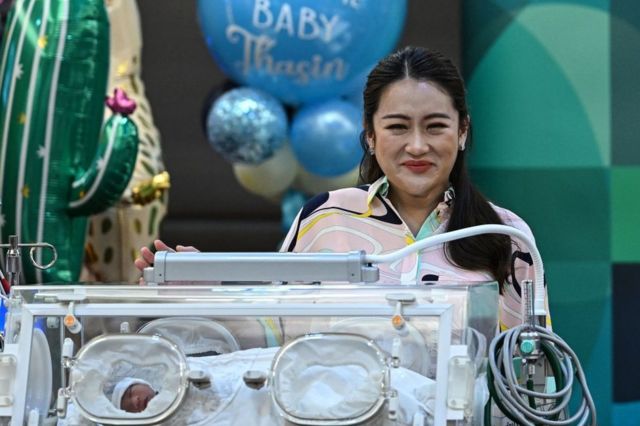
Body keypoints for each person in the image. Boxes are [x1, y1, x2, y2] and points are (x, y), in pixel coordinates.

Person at [135, 46, 549, 331]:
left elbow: (529, 374)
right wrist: (200, 291)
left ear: (462, 132)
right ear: (370, 135)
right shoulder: (326, 216)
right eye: (397, 127)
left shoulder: (504, 235)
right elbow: (276, 333)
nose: (417, 145)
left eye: (436, 126)